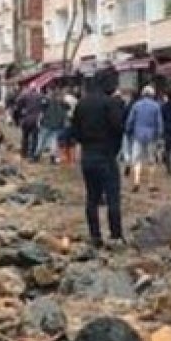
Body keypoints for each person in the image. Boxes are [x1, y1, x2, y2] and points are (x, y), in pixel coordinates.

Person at [71, 73, 127, 248]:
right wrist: (114, 148)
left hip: (88, 155)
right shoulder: (110, 103)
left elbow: (75, 131)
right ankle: (115, 235)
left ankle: (95, 235)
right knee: (112, 197)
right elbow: (119, 128)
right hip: (106, 155)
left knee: (92, 198)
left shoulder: (82, 104)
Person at [124, 86, 164, 192]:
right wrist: (159, 136)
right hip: (151, 135)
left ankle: (136, 181)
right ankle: (151, 183)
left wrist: (128, 131)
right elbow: (159, 123)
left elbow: (130, 120)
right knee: (151, 159)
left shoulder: (136, 105)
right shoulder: (156, 106)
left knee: (137, 159)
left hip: (137, 134)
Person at [36, 88, 69, 164]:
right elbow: (66, 111)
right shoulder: (63, 104)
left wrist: (39, 121)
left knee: (41, 140)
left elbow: (42, 110)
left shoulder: (47, 102)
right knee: (53, 142)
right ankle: (52, 157)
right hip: (57, 125)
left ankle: (37, 156)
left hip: (46, 124)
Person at [18, 87, 44, 160]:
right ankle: (32, 154)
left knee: (25, 136)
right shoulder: (41, 96)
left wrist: (21, 113)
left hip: (26, 118)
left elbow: (18, 104)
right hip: (36, 119)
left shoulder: (24, 96)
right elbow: (45, 105)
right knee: (35, 138)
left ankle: (23, 153)